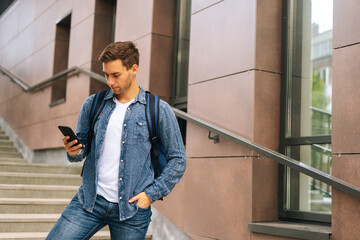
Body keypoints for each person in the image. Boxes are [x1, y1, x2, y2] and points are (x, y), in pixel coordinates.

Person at [46, 41, 187, 240]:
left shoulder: (158, 110)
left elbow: (178, 159)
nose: (110, 82)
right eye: (106, 75)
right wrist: (74, 152)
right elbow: (82, 149)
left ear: (134, 69)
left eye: (116, 75)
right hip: (89, 202)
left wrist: (151, 194)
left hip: (132, 210)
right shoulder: (93, 104)